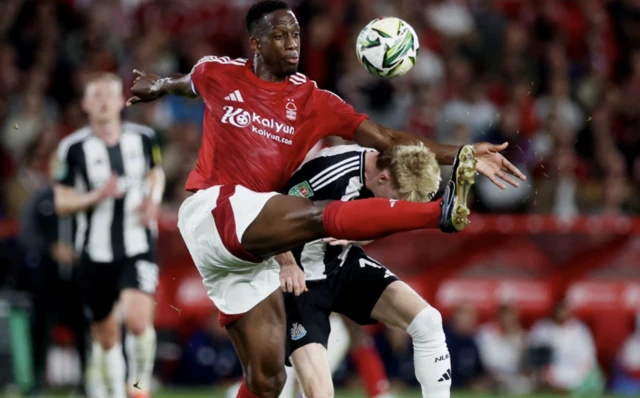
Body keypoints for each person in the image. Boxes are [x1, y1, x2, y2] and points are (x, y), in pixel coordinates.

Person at [127, 2, 525, 396]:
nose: (292, 43)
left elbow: (387, 139)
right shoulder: (219, 71)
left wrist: (462, 154)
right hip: (215, 208)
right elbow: (188, 82)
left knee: (268, 382)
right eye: (280, 35)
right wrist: (158, 86)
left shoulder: (314, 101)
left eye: (296, 34)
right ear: (256, 42)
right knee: (322, 215)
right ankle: (437, 213)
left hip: (253, 250)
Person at [278, 142, 473, 397]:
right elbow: (273, 218)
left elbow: (375, 225)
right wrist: (287, 264)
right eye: (396, 201)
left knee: (429, 322)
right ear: (383, 178)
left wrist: (353, 236)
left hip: (343, 265)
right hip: (301, 278)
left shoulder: (380, 177)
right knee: (320, 393)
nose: (393, 208)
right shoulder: (327, 173)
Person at [54, 73, 165, 398]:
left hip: (138, 243)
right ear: (86, 104)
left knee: (137, 320)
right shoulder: (72, 148)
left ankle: (139, 384)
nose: (103, 100)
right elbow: (61, 202)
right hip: (94, 251)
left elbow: (155, 172)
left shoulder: (145, 138)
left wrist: (152, 201)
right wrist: (97, 195)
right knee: (105, 336)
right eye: (96, 95)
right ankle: (113, 391)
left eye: (109, 95)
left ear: (121, 101)